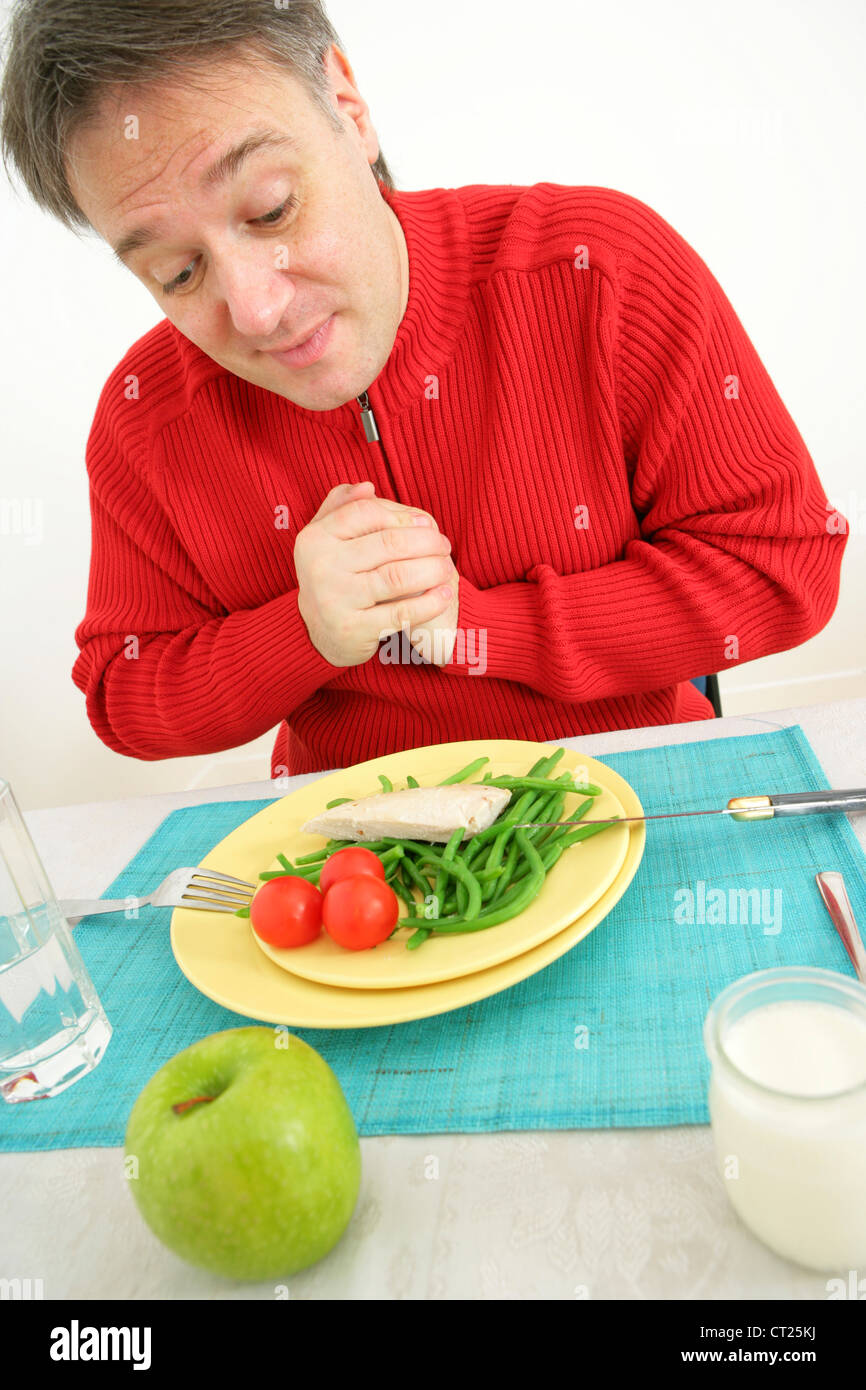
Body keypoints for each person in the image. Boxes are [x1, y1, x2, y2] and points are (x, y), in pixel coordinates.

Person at [0, 1, 847, 780]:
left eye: (271, 210)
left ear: (348, 106)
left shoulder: (600, 270)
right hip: (361, 865)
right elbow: (127, 696)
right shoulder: (147, 417)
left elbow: (784, 566)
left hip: (645, 796)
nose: (257, 310)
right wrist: (305, 632)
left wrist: (478, 628)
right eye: (177, 273)